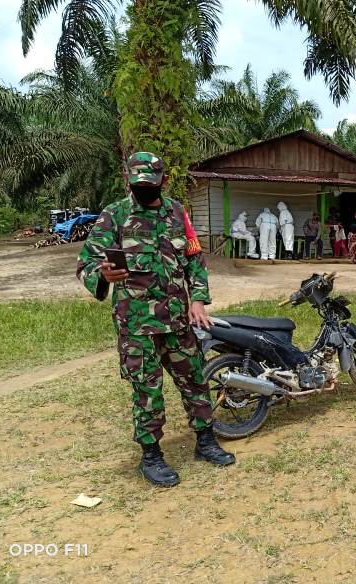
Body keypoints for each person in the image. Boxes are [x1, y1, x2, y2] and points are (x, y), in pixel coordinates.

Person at [76, 152, 235, 488]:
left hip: (178, 321)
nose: (144, 189)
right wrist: (104, 275)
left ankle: (205, 442)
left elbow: (194, 258)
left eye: (151, 182)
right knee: (147, 392)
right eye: (138, 184)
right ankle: (151, 456)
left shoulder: (177, 212)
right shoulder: (114, 216)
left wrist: (200, 300)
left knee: (195, 382)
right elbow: (86, 265)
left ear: (163, 180)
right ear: (129, 181)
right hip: (138, 328)